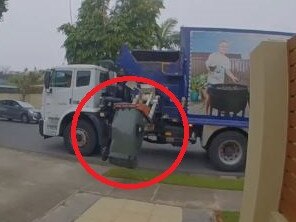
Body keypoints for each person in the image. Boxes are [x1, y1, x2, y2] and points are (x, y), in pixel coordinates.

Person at [204, 41, 239, 115]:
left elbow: (227, 71)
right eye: (222, 46)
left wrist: (233, 77)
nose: (224, 48)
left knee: (220, 98)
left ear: (227, 49)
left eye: (226, 47)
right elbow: (207, 65)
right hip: (211, 81)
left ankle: (220, 112)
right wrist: (210, 68)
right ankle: (206, 113)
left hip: (220, 82)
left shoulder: (226, 59)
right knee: (209, 97)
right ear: (219, 47)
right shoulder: (213, 55)